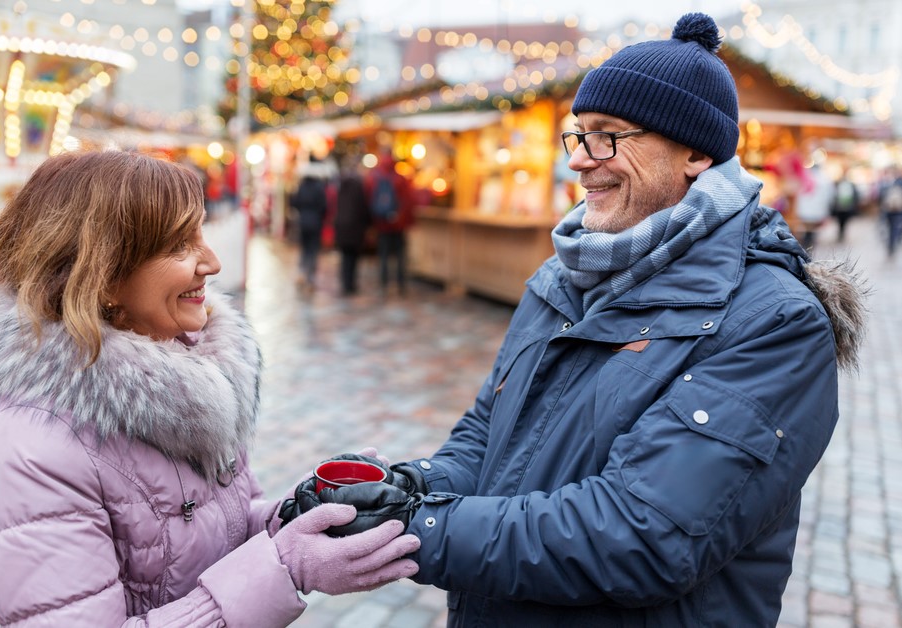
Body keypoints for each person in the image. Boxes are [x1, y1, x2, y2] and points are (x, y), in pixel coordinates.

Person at [281, 13, 867, 626]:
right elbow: (489, 440)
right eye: (579, 135)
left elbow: (640, 535)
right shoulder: (566, 276)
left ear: (695, 152)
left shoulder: (774, 321)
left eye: (609, 135)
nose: (581, 162)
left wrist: (413, 528)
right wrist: (402, 488)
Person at [0, 150, 419, 626]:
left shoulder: (192, 376)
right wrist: (285, 567)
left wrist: (301, 516)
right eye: (179, 245)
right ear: (102, 274)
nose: (212, 262)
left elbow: (212, 533)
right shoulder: (32, 450)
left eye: (203, 234)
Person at [367, 152, 414, 296]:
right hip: (398, 224)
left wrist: (372, 223)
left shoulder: (374, 178)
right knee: (400, 255)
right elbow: (408, 201)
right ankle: (401, 283)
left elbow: (369, 200)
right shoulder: (400, 179)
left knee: (384, 254)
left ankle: (384, 283)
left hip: (382, 224)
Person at [289, 156, 331, 292]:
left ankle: (301, 273)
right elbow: (324, 206)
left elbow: (294, 202)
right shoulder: (319, 187)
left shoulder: (302, 186)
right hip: (315, 223)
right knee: (313, 250)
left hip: (303, 222)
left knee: (304, 250)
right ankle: (310, 279)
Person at [334, 158, 372, 295]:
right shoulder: (358, 187)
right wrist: (368, 223)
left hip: (342, 226)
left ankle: (345, 282)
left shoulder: (341, 186)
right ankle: (350, 284)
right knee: (353, 257)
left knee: (345, 257)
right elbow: (362, 208)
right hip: (355, 227)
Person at [794, 162, 833, 251]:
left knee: (806, 231)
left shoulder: (804, 177)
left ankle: (805, 247)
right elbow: (829, 196)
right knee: (812, 232)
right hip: (817, 211)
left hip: (804, 211)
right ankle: (809, 248)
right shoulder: (825, 179)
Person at [830, 171, 860, 243]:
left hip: (847, 207)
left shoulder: (850, 185)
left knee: (844, 221)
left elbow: (855, 196)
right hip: (840, 208)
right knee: (840, 221)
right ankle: (841, 232)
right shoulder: (838, 184)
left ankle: (842, 232)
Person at [879, 167, 902, 257]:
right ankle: (893, 242)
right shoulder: (899, 183)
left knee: (891, 227)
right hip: (898, 210)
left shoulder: (886, 183)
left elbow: (881, 196)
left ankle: (891, 243)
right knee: (895, 228)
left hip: (888, 209)